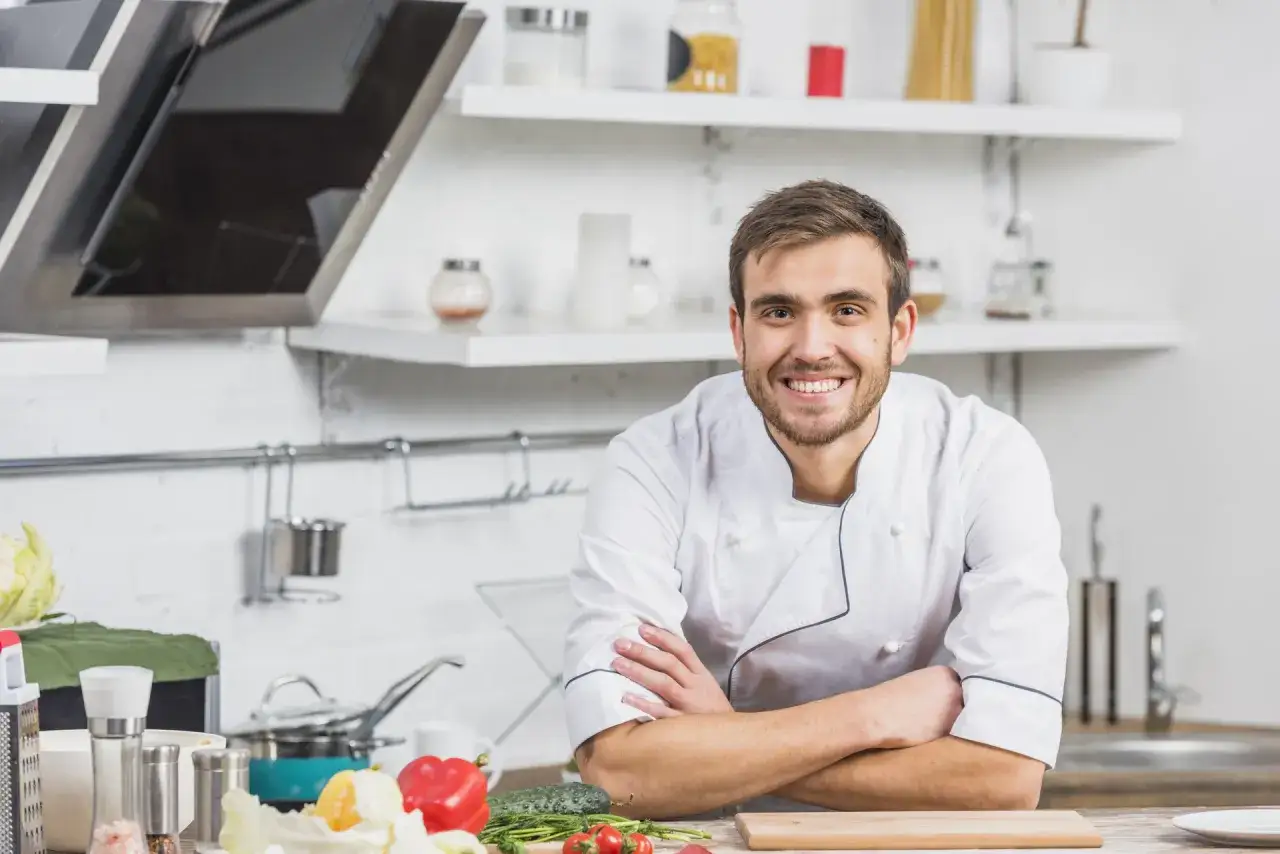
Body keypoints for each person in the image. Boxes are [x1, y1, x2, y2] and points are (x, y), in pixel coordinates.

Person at [561, 179, 1069, 820]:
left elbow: (1003, 779)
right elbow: (619, 769)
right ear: (738, 331)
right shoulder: (653, 461)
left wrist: (724, 737)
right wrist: (875, 716)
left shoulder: (985, 456)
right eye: (778, 312)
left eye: (847, 310)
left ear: (901, 330)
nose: (810, 347)